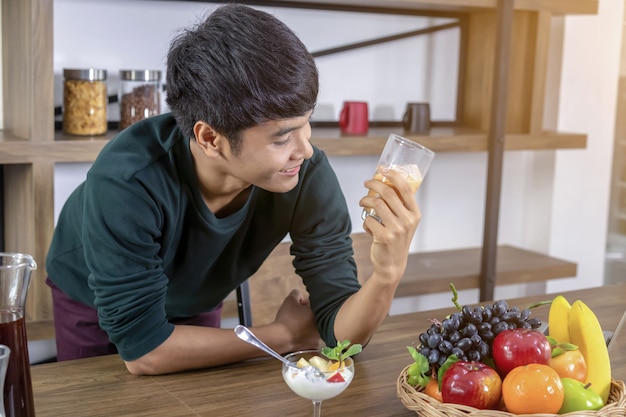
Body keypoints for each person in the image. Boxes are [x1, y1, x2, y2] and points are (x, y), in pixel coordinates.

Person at [46, 4, 421, 376]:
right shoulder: (127, 180)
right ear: (210, 138)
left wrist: (387, 274)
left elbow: (341, 339)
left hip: (196, 298)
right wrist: (283, 336)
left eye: (306, 125)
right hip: (91, 300)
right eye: (282, 137)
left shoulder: (305, 173)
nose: (305, 149)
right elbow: (144, 352)